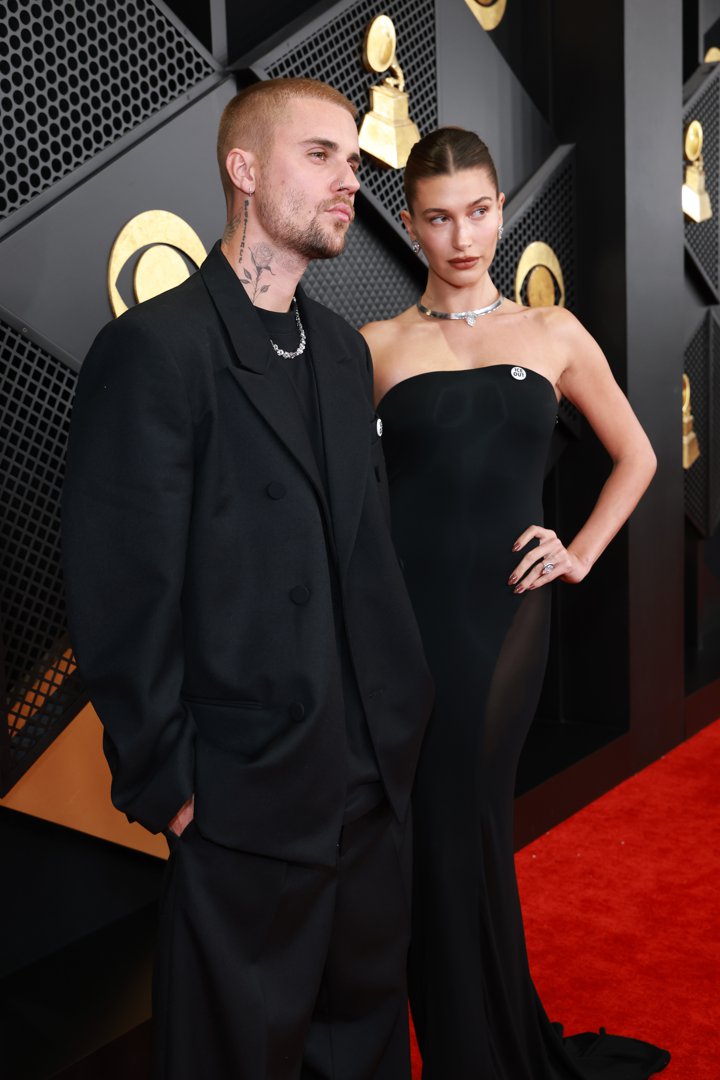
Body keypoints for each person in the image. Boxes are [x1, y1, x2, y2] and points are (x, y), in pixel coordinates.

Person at [62, 78, 433, 1080]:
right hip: (242, 793)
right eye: (320, 156)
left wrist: (399, 718)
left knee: (358, 1046)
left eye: (353, 161)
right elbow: (120, 590)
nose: (348, 181)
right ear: (242, 169)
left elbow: (365, 554)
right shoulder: (155, 350)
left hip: (368, 784)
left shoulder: (346, 355)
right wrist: (172, 784)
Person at [361, 127, 670, 1079]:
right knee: (435, 839)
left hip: (504, 617)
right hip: (406, 622)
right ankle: (487, 1041)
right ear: (409, 224)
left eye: (481, 210)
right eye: (441, 216)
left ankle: (480, 1053)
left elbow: (640, 453)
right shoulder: (373, 346)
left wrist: (576, 550)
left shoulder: (554, 330)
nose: (464, 235)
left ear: (503, 209)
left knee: (463, 823)